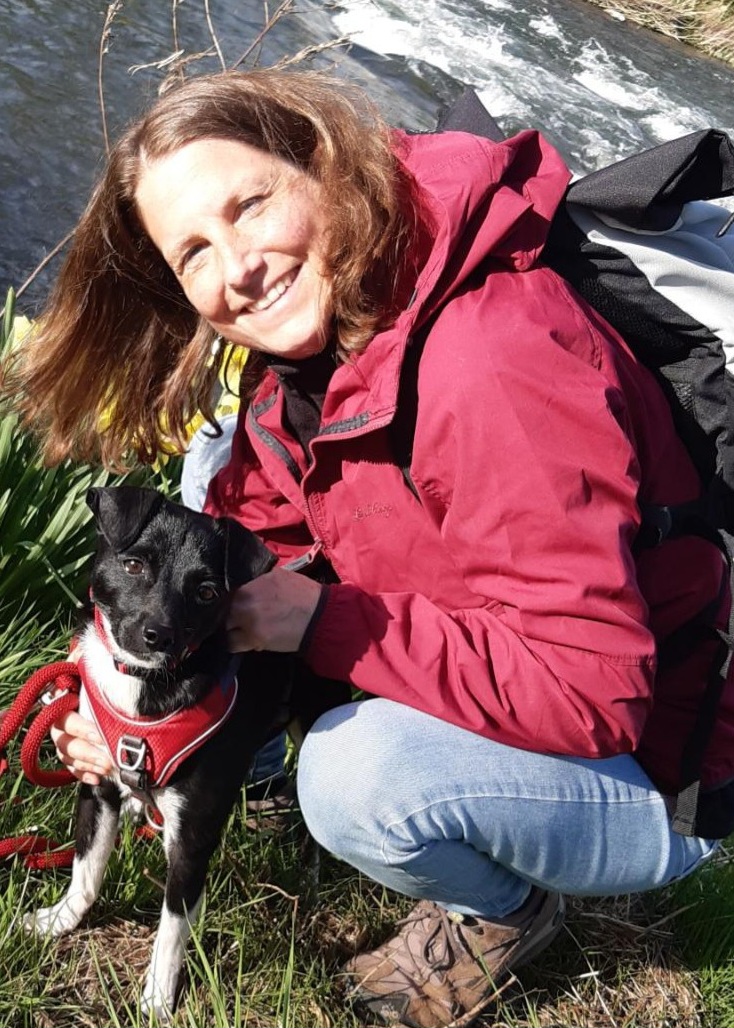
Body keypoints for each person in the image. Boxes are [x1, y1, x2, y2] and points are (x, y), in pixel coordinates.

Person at [4, 68, 734, 1028]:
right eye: (193, 253)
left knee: (359, 777)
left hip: (658, 767)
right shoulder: (306, 363)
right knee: (206, 499)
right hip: (509, 659)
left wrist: (323, 621)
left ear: (326, 165)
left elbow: (597, 690)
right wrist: (122, 709)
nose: (238, 268)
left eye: (250, 205)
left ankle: (506, 911)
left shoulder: (490, 360)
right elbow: (243, 555)